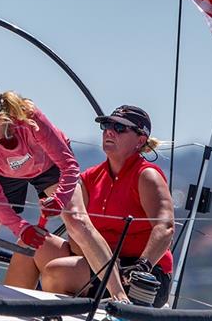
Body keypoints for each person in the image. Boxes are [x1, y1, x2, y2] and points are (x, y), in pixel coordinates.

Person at [0, 86, 129, 300]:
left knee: (77, 222)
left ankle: (119, 296)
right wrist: (21, 229)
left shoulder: (28, 117)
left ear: (0, 120)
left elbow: (69, 166)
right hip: (1, 172)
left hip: (48, 166)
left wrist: (60, 199)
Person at [39, 106, 174, 307]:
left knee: (57, 272)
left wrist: (142, 266)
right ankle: (9, 314)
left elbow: (166, 228)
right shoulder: (90, 177)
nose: (109, 131)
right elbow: (76, 228)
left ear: (140, 140)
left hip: (142, 273)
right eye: (106, 125)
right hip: (101, 262)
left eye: (120, 128)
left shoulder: (147, 175)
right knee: (37, 245)